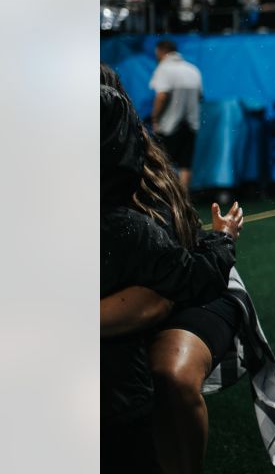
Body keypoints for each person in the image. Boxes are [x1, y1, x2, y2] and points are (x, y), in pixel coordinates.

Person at [103, 66, 275, 474]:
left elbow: (160, 297)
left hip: (192, 290)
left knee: (170, 373)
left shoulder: (142, 174)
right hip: (144, 292)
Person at [100, 84, 236, 474]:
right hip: (118, 390)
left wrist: (220, 242)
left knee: (170, 378)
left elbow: (169, 291)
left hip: (173, 307)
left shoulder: (143, 210)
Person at [150, 40, 202, 191]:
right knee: (186, 164)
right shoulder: (193, 70)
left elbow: (162, 96)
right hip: (190, 124)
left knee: (163, 163)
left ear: (161, 51)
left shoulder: (164, 69)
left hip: (168, 126)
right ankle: (183, 201)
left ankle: (166, 198)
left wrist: (155, 117)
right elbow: (199, 97)